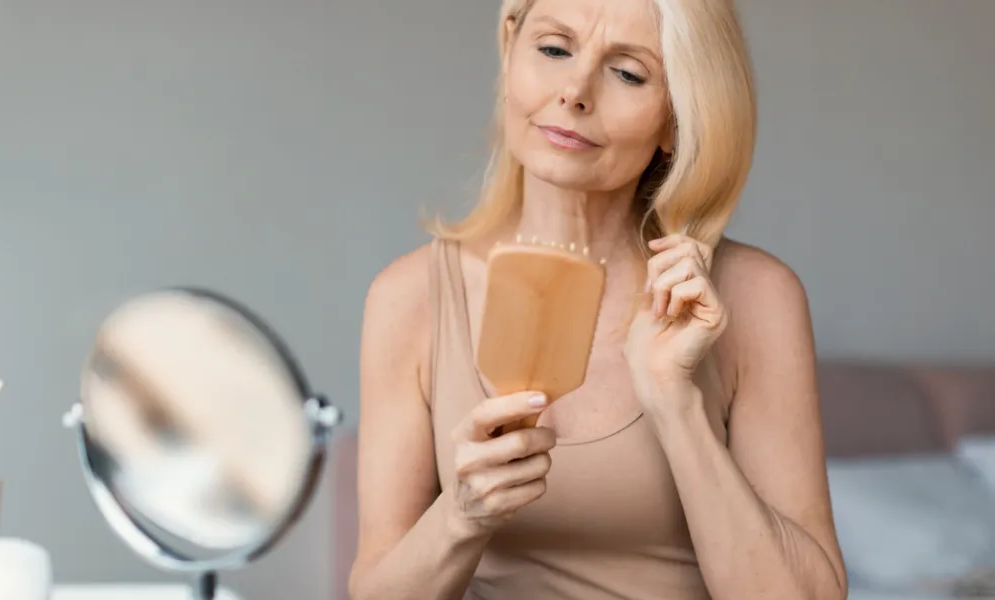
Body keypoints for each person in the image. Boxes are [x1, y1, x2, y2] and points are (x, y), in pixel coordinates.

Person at [349, 0, 847, 598]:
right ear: (510, 50)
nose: (575, 92)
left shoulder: (756, 298)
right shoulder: (410, 299)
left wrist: (675, 403)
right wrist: (460, 518)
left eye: (628, 73)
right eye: (555, 49)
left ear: (676, 118)